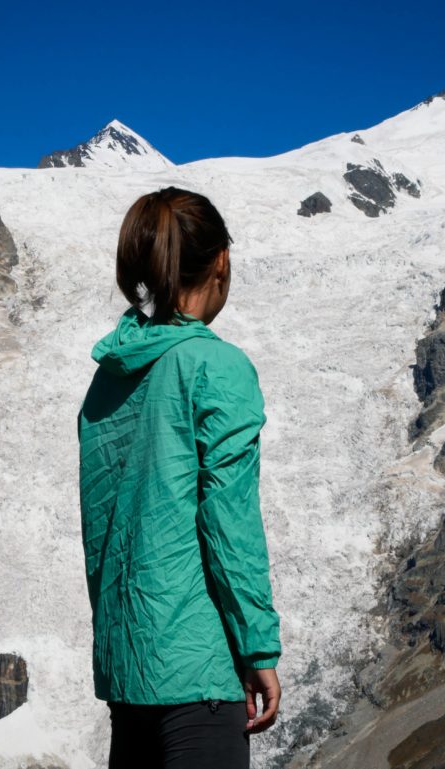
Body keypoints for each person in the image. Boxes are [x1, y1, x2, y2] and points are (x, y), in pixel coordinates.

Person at [77, 186, 282, 768]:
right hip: (200, 677)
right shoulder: (216, 365)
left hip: (129, 675)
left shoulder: (110, 377)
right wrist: (257, 647)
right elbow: (228, 521)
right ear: (220, 261)